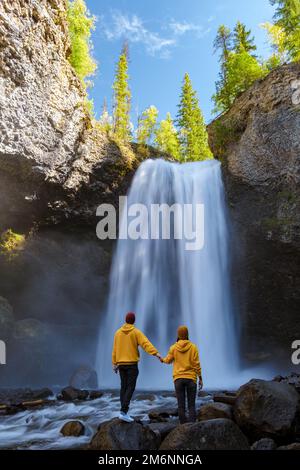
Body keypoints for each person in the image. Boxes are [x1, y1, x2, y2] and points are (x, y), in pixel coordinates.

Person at [112, 312, 161, 422]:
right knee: (130, 387)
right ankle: (123, 412)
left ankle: (123, 412)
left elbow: (114, 350)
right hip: (132, 364)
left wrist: (114, 364)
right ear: (134, 321)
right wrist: (156, 353)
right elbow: (146, 344)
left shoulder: (117, 333)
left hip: (121, 364)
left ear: (125, 320)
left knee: (123, 387)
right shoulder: (136, 332)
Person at [161, 325, 203, 424]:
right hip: (191, 379)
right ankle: (192, 426)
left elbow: (168, 360)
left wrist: (161, 359)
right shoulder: (193, 347)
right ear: (187, 334)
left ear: (178, 335)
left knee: (181, 405)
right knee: (191, 405)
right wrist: (200, 378)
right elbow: (196, 364)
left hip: (178, 379)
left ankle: (183, 427)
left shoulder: (174, 347)